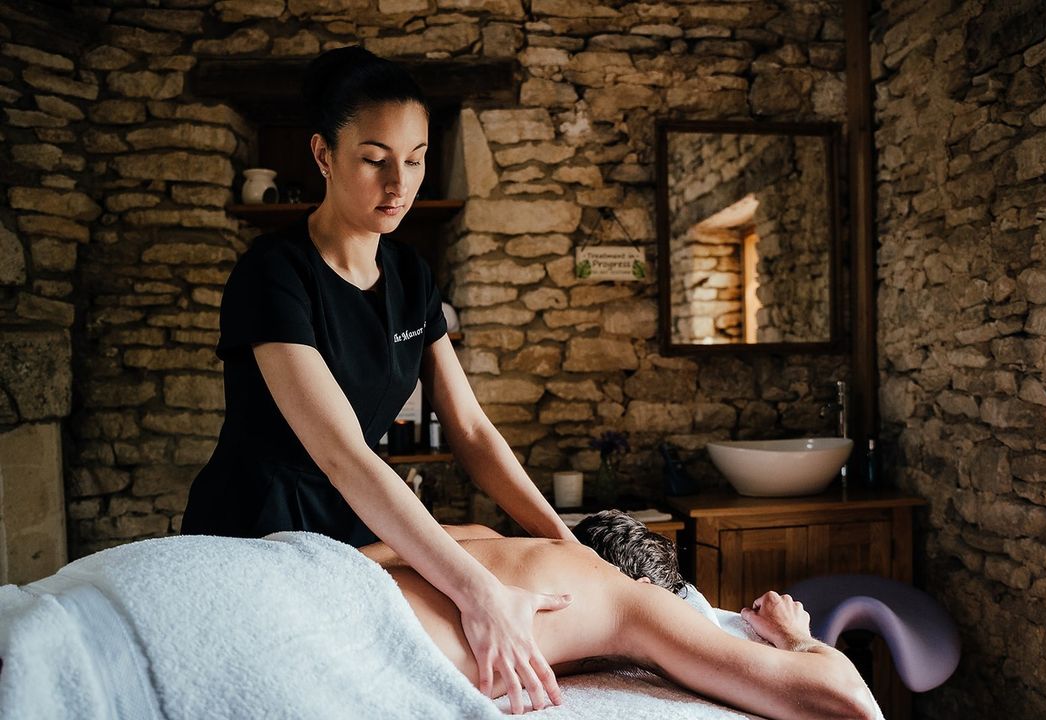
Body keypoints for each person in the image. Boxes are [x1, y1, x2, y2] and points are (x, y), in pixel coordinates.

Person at [181, 44, 575, 707]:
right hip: (261, 524)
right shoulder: (273, 273)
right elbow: (342, 454)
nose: (399, 184)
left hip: (356, 518)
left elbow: (471, 431)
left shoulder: (412, 276)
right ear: (323, 154)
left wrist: (564, 541)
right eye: (374, 160)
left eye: (415, 160)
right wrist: (478, 592)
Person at [363, 523, 879, 719]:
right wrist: (795, 636)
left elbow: (360, 552)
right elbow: (848, 703)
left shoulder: (479, 536)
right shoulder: (631, 598)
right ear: (652, 586)